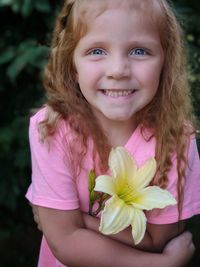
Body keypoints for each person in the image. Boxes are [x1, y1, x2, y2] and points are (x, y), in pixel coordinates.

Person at [26, 0, 200, 266]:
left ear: (166, 61)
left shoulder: (176, 138)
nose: (118, 70)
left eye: (139, 51)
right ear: (72, 64)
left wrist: (79, 221)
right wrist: (161, 265)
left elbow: (157, 240)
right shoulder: (52, 129)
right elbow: (65, 244)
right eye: (96, 51)